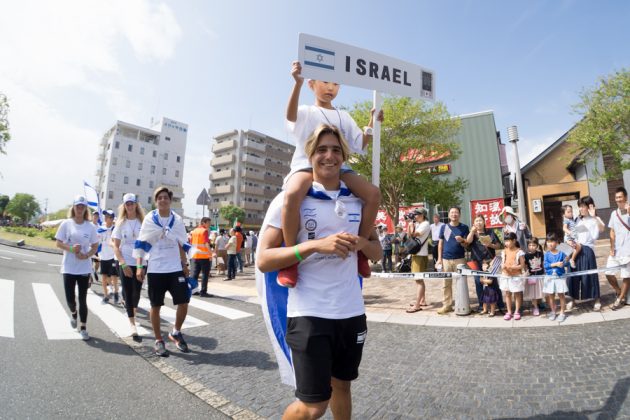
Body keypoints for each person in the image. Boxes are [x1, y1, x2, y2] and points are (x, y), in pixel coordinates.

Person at [257, 124, 382, 420]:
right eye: (322, 150)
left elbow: (376, 253)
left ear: (344, 156)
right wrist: (313, 247)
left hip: (351, 312)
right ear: (310, 155)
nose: (329, 156)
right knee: (314, 405)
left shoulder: (357, 200)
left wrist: (363, 243)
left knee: (342, 386)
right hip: (309, 314)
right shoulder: (292, 199)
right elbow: (263, 259)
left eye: (336, 150)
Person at [277, 60, 383, 288]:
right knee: (293, 193)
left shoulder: (343, 116)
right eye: (325, 82)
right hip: (306, 165)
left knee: (373, 194)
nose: (330, 87)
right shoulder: (306, 111)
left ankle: (361, 250)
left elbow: (360, 144)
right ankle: (290, 258)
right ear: (311, 84)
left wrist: (371, 123)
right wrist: (296, 83)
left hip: (339, 166)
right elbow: (291, 117)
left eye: (336, 84)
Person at [134, 186, 192, 357]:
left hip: (175, 268)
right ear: (155, 201)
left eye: (166, 197)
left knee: (183, 302)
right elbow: (141, 243)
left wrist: (184, 264)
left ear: (170, 200)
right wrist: (139, 266)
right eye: (159, 198)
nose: (163, 200)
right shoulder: (149, 219)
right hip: (155, 269)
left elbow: (182, 242)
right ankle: (159, 340)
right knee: (155, 305)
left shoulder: (178, 220)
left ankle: (175, 332)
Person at [55, 195, 99, 341]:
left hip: (84, 268)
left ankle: (84, 327)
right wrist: (71, 249)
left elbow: (95, 245)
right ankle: (73, 313)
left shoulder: (90, 226)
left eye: (82, 206)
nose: (79, 208)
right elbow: (58, 243)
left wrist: (87, 255)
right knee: (70, 299)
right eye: (77, 206)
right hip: (68, 267)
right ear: (73, 207)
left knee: (83, 299)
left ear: (85, 209)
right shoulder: (66, 224)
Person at [112, 193, 145, 340]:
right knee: (127, 290)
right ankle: (132, 323)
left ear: (136, 205)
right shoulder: (120, 223)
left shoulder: (143, 222)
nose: (130, 206)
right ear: (124, 206)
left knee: (136, 293)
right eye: (127, 204)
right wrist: (123, 264)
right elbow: (116, 246)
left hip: (140, 261)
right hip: (124, 261)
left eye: (132, 203)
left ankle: (133, 312)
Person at [566, 196, 605, 311]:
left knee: (590, 275)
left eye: (583, 206)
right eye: (580, 206)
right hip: (575, 248)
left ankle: (596, 299)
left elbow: (601, 230)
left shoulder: (594, 219)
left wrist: (594, 217)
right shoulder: (577, 220)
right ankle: (572, 299)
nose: (581, 208)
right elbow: (574, 234)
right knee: (573, 274)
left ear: (589, 206)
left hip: (587, 249)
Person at [436, 207, 470, 314]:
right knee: (446, 283)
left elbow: (467, 244)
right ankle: (447, 305)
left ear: (459, 214)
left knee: (461, 283)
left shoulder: (464, 227)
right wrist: (439, 259)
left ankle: (462, 304)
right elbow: (440, 244)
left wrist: (462, 240)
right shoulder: (444, 227)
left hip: (460, 259)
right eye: (452, 212)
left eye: (456, 212)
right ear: (449, 214)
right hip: (446, 259)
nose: (454, 214)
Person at [466, 214, 503, 312]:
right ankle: (482, 305)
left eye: (480, 220)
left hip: (490, 260)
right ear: (474, 223)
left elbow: (499, 245)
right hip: (476, 261)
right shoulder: (473, 234)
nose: (479, 222)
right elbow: (467, 242)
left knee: (493, 282)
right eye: (476, 221)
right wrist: (472, 232)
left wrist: (490, 244)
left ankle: (499, 304)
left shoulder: (490, 232)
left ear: (484, 222)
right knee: (478, 283)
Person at [607, 187, 630, 310]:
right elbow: (612, 231)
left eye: (620, 197)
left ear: (625, 197)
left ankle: (620, 299)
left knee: (626, 275)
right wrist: (611, 247)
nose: (618, 199)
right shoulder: (613, 213)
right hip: (616, 250)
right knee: (608, 273)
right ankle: (619, 291)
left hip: (628, 250)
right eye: (616, 198)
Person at [407, 209, 431, 313]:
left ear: (423, 215)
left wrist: (411, 227)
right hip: (418, 254)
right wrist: (409, 225)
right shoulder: (419, 223)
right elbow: (409, 236)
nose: (415, 216)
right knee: (419, 279)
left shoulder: (425, 224)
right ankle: (422, 300)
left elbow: (415, 234)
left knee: (418, 280)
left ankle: (417, 305)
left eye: (417, 214)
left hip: (420, 255)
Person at [543, 233, 570, 322]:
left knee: (561, 295)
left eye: (552, 241)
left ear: (557, 242)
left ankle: (562, 313)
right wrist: (555, 264)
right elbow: (545, 265)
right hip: (550, 277)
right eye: (548, 241)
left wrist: (565, 262)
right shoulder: (546, 254)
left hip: (560, 277)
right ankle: (553, 311)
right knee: (551, 296)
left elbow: (566, 264)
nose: (550, 244)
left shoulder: (562, 253)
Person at [499, 232, 525, 321]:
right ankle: (509, 311)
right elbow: (502, 262)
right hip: (505, 275)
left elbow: (522, 265)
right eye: (505, 241)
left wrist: (513, 267)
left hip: (516, 276)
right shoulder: (504, 251)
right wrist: (502, 265)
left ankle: (517, 311)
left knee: (517, 293)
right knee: (507, 293)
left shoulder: (519, 252)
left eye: (508, 241)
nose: (506, 243)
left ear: (514, 241)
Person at [98, 209, 120, 304]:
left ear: (112, 218)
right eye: (105, 216)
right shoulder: (100, 229)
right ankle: (106, 295)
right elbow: (97, 242)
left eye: (109, 216)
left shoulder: (115, 229)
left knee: (114, 276)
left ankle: (115, 292)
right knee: (104, 277)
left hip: (113, 256)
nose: (106, 218)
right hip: (103, 256)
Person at [190, 217, 213, 298]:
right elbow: (206, 243)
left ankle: (193, 290)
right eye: (208, 223)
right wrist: (211, 254)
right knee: (205, 274)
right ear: (203, 223)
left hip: (195, 256)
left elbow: (191, 243)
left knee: (194, 274)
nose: (209, 225)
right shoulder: (204, 231)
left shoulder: (194, 231)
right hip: (204, 256)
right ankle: (203, 292)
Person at [523, 237, 544, 316]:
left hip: (540, 275)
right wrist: (526, 272)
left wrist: (545, 273)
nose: (532, 246)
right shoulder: (526, 255)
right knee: (533, 293)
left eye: (534, 245)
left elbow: (543, 264)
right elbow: (525, 266)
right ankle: (535, 307)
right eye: (530, 245)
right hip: (531, 276)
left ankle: (540, 303)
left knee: (540, 291)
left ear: (537, 245)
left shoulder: (540, 253)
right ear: (528, 246)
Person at [562, 205, 582, 269]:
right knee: (578, 247)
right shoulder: (566, 220)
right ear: (563, 214)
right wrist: (570, 232)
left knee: (574, 249)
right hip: (569, 238)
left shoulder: (572, 219)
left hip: (572, 238)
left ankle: (567, 260)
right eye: (568, 212)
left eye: (571, 211)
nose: (570, 213)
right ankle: (572, 260)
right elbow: (564, 228)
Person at [90, 210, 101, 283]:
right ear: (92, 216)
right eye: (94, 215)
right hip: (89, 247)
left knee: (97, 263)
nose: (95, 217)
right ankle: (90, 276)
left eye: (97, 216)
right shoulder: (89, 225)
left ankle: (95, 271)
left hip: (97, 247)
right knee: (89, 263)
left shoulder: (99, 227)